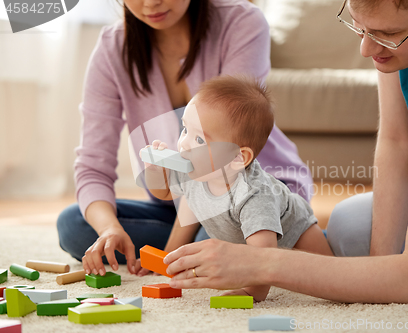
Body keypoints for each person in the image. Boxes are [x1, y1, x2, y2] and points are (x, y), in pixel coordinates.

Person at [163, 0, 408, 303]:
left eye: (386, 34)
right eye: (360, 27)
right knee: (349, 230)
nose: (366, 49)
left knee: (390, 264)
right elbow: (399, 142)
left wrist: (262, 264)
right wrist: (378, 271)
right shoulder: (404, 34)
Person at [56, 0, 313, 278]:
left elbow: (221, 166)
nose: (151, 2)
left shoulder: (241, 23)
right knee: (74, 225)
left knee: (213, 243)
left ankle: (266, 237)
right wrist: (110, 230)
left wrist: (170, 252)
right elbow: (93, 165)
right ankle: (206, 246)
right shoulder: (112, 48)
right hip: (183, 204)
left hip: (245, 195)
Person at [143, 76, 333, 301]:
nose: (183, 144)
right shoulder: (196, 169)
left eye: (199, 140)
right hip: (240, 237)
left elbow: (265, 256)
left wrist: (252, 292)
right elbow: (164, 193)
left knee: (330, 274)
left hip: (296, 231)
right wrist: (155, 172)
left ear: (237, 158)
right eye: (185, 130)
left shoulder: (253, 196)